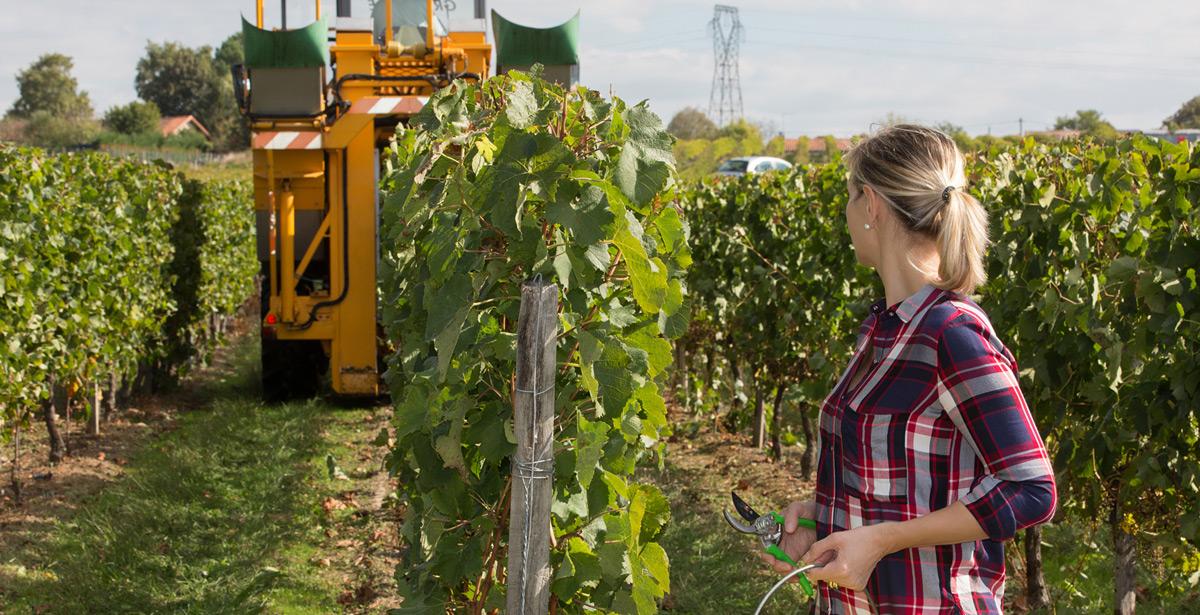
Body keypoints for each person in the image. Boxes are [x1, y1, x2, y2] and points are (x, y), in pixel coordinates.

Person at [762, 124, 1057, 614]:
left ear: (872, 205)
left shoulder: (950, 335)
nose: (847, 213)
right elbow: (905, 481)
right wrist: (824, 516)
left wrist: (884, 540)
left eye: (851, 197)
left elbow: (1031, 488)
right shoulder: (884, 329)